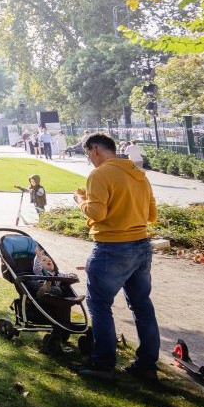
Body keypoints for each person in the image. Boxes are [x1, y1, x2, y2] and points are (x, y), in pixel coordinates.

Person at [75, 133, 161, 383]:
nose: (89, 159)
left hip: (112, 246)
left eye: (87, 153)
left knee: (99, 304)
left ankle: (103, 363)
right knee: (142, 306)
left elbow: (97, 213)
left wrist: (81, 201)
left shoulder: (99, 174)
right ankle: (147, 365)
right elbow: (152, 214)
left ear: (95, 150)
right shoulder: (138, 174)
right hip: (141, 245)